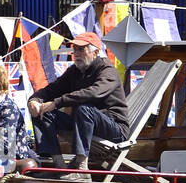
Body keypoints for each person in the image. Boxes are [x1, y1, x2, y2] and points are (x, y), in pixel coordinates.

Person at [28, 32, 129, 174]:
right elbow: (51, 90)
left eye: (81, 49)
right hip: (84, 123)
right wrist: (34, 101)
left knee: (84, 108)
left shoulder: (107, 71)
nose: (77, 53)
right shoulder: (75, 71)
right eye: (75, 49)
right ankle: (58, 164)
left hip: (114, 129)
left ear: (96, 52)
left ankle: (82, 168)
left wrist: (56, 103)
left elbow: (92, 93)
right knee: (43, 112)